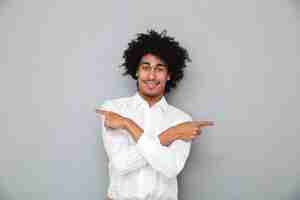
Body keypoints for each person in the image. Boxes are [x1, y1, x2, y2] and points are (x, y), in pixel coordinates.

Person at [96, 30, 214, 200]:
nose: (151, 75)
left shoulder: (182, 120)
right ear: (136, 71)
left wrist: (128, 125)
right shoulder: (114, 110)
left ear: (169, 75)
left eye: (159, 69)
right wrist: (172, 134)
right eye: (145, 68)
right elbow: (121, 164)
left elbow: (170, 168)